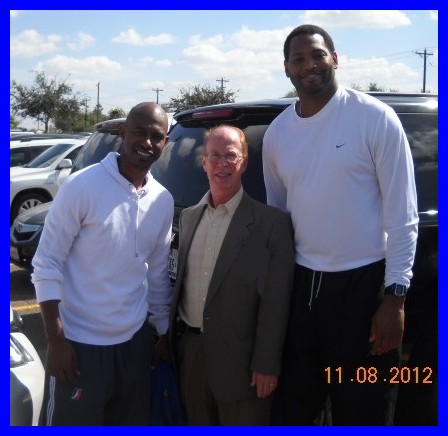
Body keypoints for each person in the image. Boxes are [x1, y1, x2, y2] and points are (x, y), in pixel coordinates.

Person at [262, 24, 418, 425]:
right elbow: (278, 220)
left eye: (317, 54)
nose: (309, 65)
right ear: (286, 68)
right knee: (297, 410)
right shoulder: (278, 133)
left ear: (335, 58)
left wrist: (394, 299)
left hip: (363, 290)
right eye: (298, 58)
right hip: (301, 292)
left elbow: (403, 217)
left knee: (362, 411)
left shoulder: (374, 118)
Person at [31, 102, 174, 426]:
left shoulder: (162, 200)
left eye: (157, 136)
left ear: (166, 142)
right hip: (80, 347)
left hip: (134, 347)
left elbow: (157, 273)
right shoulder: (82, 187)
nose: (148, 143)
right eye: (140, 132)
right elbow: (47, 265)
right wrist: (56, 342)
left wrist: (163, 332)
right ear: (123, 132)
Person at [169, 125, 295, 425]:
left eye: (230, 156)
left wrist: (266, 363)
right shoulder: (188, 218)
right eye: (214, 156)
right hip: (192, 358)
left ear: (244, 163)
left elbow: (276, 303)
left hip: (244, 364)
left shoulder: (271, 225)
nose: (221, 164)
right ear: (203, 162)